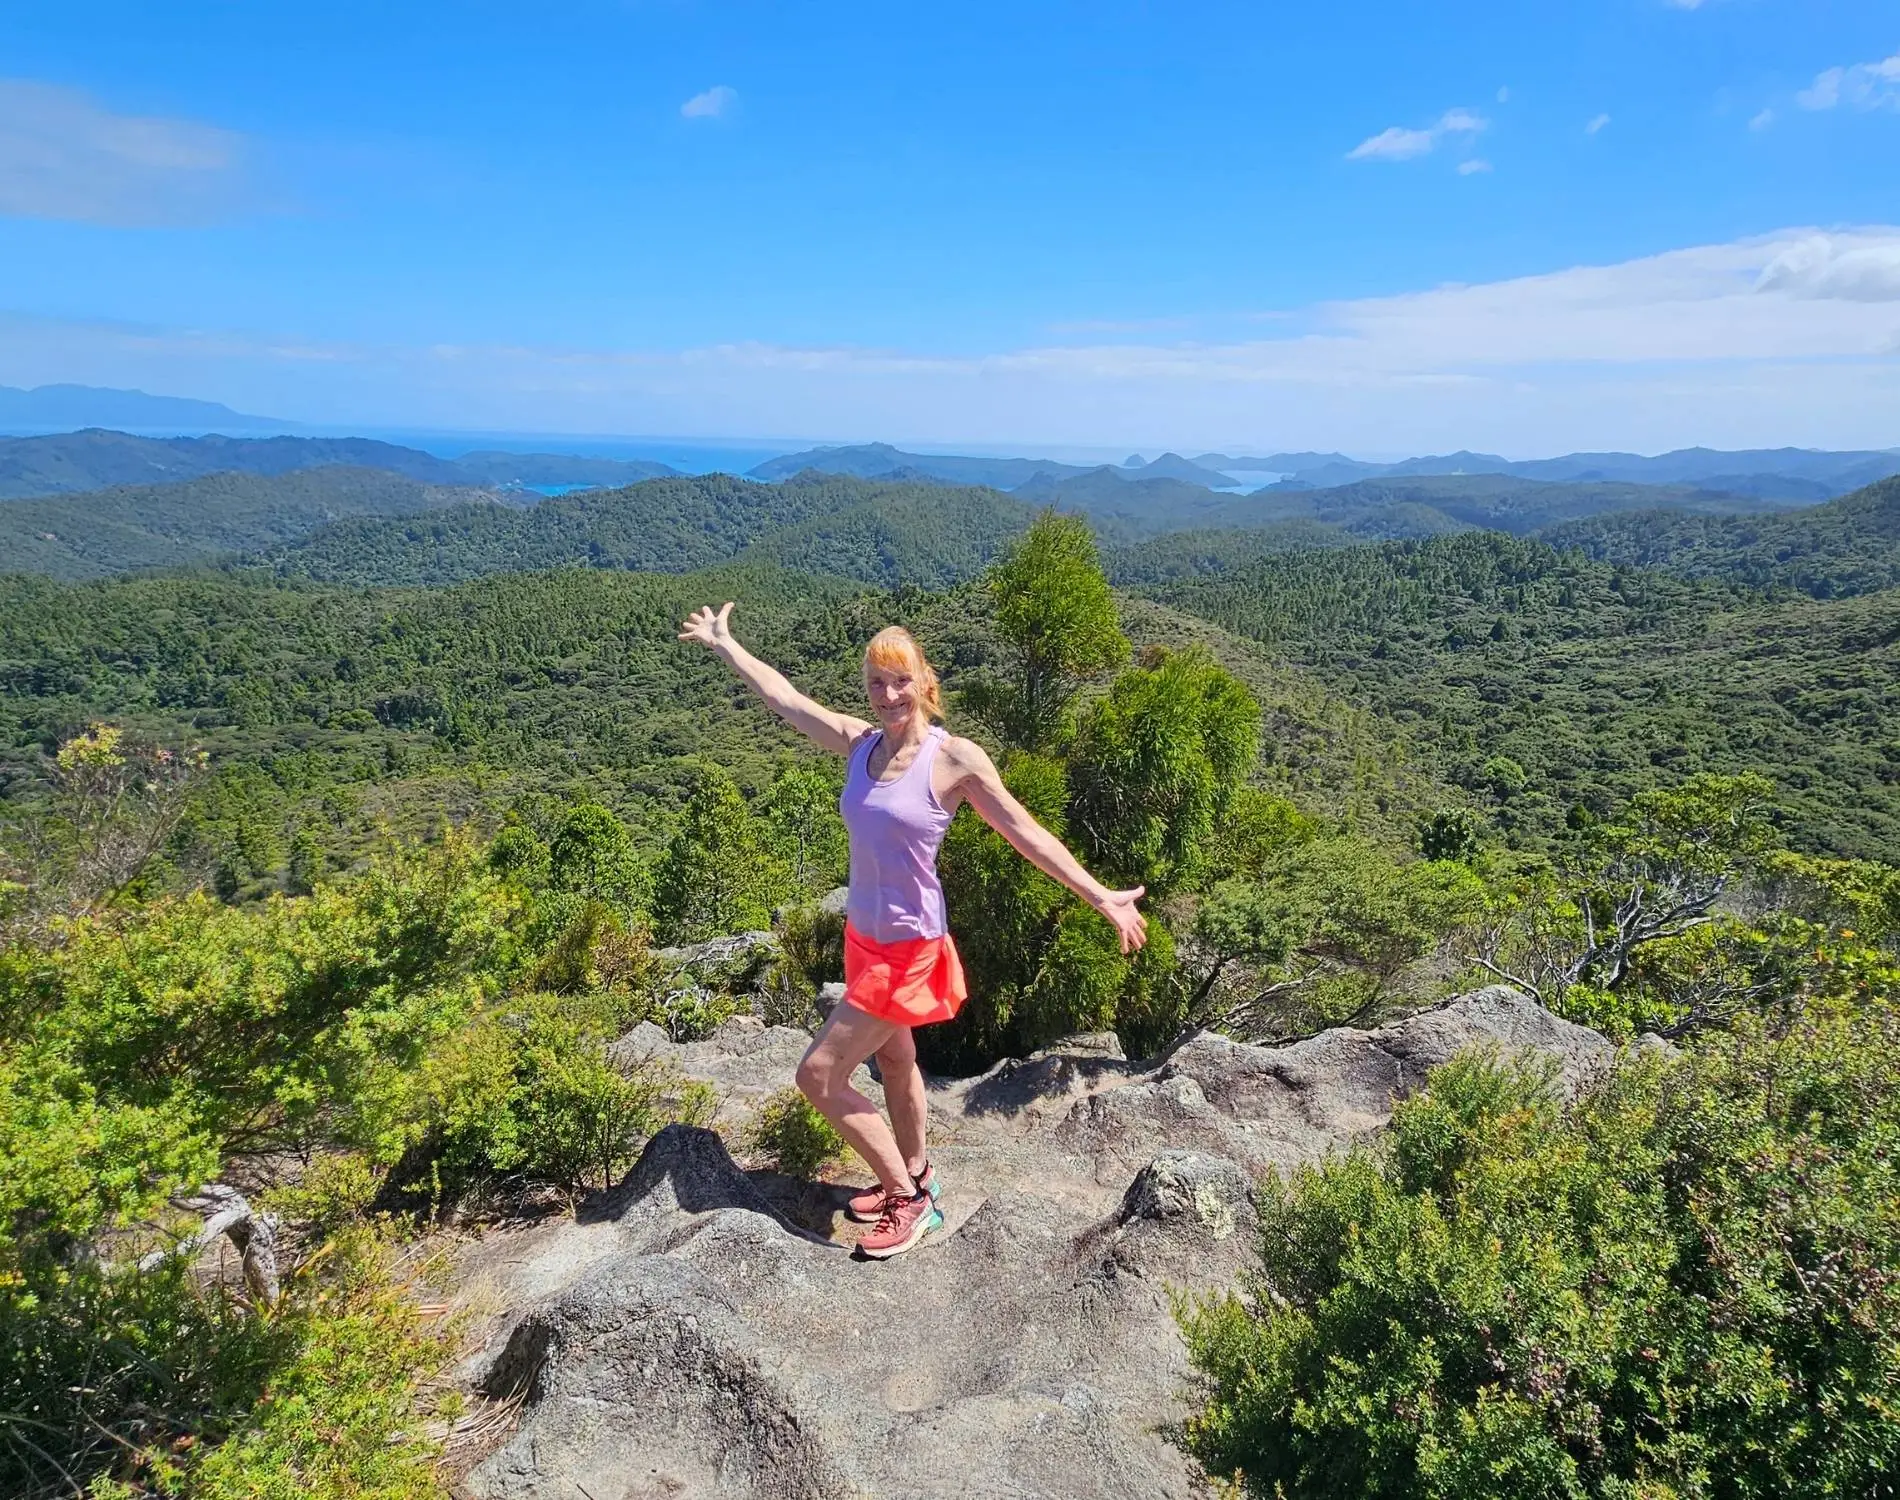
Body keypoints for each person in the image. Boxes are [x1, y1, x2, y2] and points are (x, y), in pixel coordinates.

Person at [678, 603, 1147, 1258]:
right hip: (865, 940)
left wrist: (1102, 897)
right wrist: (728, 646)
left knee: (818, 1077)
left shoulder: (953, 760)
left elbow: (1027, 833)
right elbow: (783, 698)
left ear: (924, 681)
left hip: (908, 949)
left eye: (901, 680)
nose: (889, 694)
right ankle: (917, 1168)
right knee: (895, 1061)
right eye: (876, 682)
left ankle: (909, 1199)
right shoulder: (860, 744)